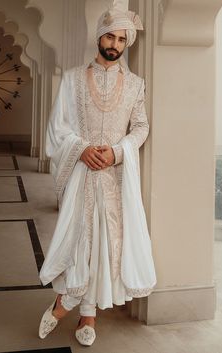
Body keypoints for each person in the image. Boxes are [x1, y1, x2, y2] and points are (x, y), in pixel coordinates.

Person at [38, 4, 157, 347]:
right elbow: (58, 127)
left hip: (115, 179)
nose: (115, 44)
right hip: (82, 174)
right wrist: (81, 147)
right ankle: (64, 302)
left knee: (106, 246)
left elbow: (141, 127)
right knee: (79, 241)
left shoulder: (136, 85)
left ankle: (88, 314)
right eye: (110, 36)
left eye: (122, 39)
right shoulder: (73, 79)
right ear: (99, 37)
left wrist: (118, 151)